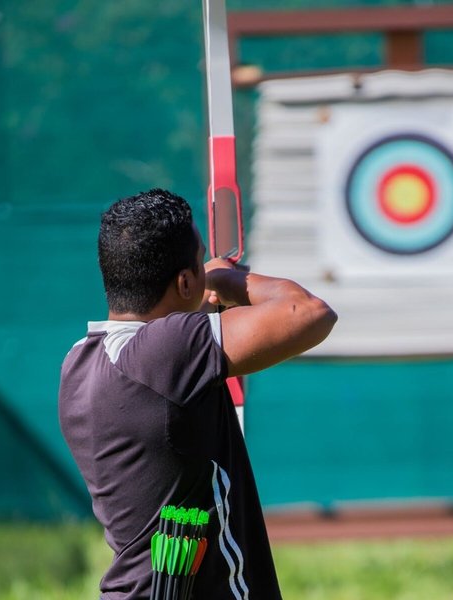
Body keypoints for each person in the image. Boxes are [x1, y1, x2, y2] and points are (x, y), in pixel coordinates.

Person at [58, 188, 336, 600]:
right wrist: (226, 279)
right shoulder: (164, 350)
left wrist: (196, 293)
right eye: (200, 263)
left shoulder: (80, 361)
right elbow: (309, 313)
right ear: (185, 280)